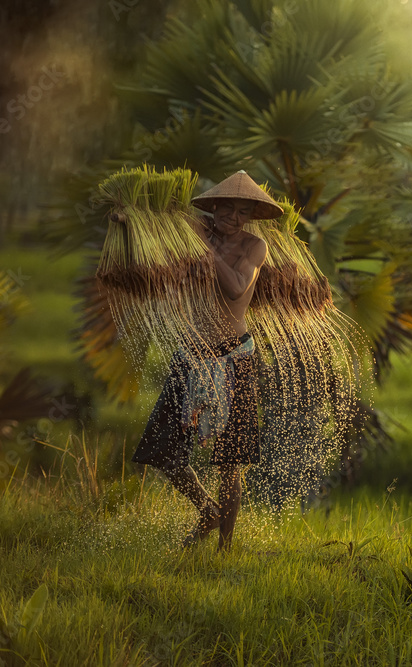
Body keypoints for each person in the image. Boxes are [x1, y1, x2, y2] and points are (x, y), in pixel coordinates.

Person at [131, 170, 283, 552]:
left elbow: (235, 288)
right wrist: (128, 221)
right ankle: (206, 509)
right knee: (162, 449)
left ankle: (225, 549)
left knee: (230, 462)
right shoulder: (192, 231)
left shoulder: (254, 247)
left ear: (250, 216)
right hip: (191, 356)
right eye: (227, 208)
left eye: (242, 211)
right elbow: (153, 231)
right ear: (214, 206)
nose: (233, 217)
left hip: (234, 359)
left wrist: (205, 248)